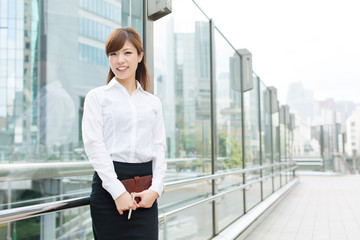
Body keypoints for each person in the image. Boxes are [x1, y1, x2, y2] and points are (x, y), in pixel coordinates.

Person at [82, 27, 166, 240]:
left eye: (127, 53)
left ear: (140, 56)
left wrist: (155, 190)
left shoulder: (153, 102)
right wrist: (117, 191)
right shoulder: (97, 97)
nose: (120, 60)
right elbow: (94, 144)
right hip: (109, 189)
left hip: (145, 191)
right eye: (113, 54)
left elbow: (159, 148)